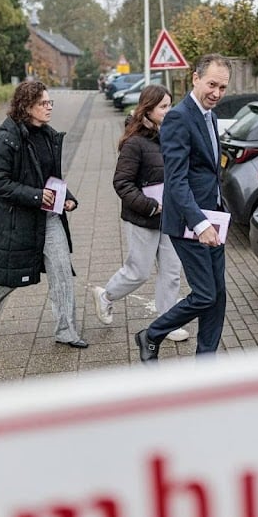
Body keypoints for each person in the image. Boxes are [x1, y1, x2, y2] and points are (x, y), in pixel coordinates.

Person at [0, 81, 88, 349]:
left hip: (48, 217)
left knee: (61, 271)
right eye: (43, 103)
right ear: (27, 106)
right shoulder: (7, 137)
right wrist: (35, 196)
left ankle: (66, 331)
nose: (49, 107)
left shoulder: (47, 135)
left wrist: (67, 197)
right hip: (17, 220)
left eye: (49, 102)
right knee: (11, 276)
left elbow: (51, 177)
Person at [135, 54, 232, 362]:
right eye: (212, 84)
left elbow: (207, 170)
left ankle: (206, 362)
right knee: (205, 294)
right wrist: (200, 224)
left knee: (218, 295)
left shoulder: (210, 116)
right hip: (189, 223)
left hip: (213, 218)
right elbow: (176, 181)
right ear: (195, 78)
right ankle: (152, 334)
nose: (216, 93)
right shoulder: (179, 117)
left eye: (223, 87)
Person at [90, 84, 189, 342]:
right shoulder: (134, 143)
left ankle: (167, 323)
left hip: (170, 217)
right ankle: (106, 296)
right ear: (148, 109)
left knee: (171, 271)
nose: (169, 111)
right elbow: (122, 183)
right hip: (143, 218)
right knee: (139, 272)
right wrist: (150, 205)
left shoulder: (170, 136)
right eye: (163, 106)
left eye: (170, 105)